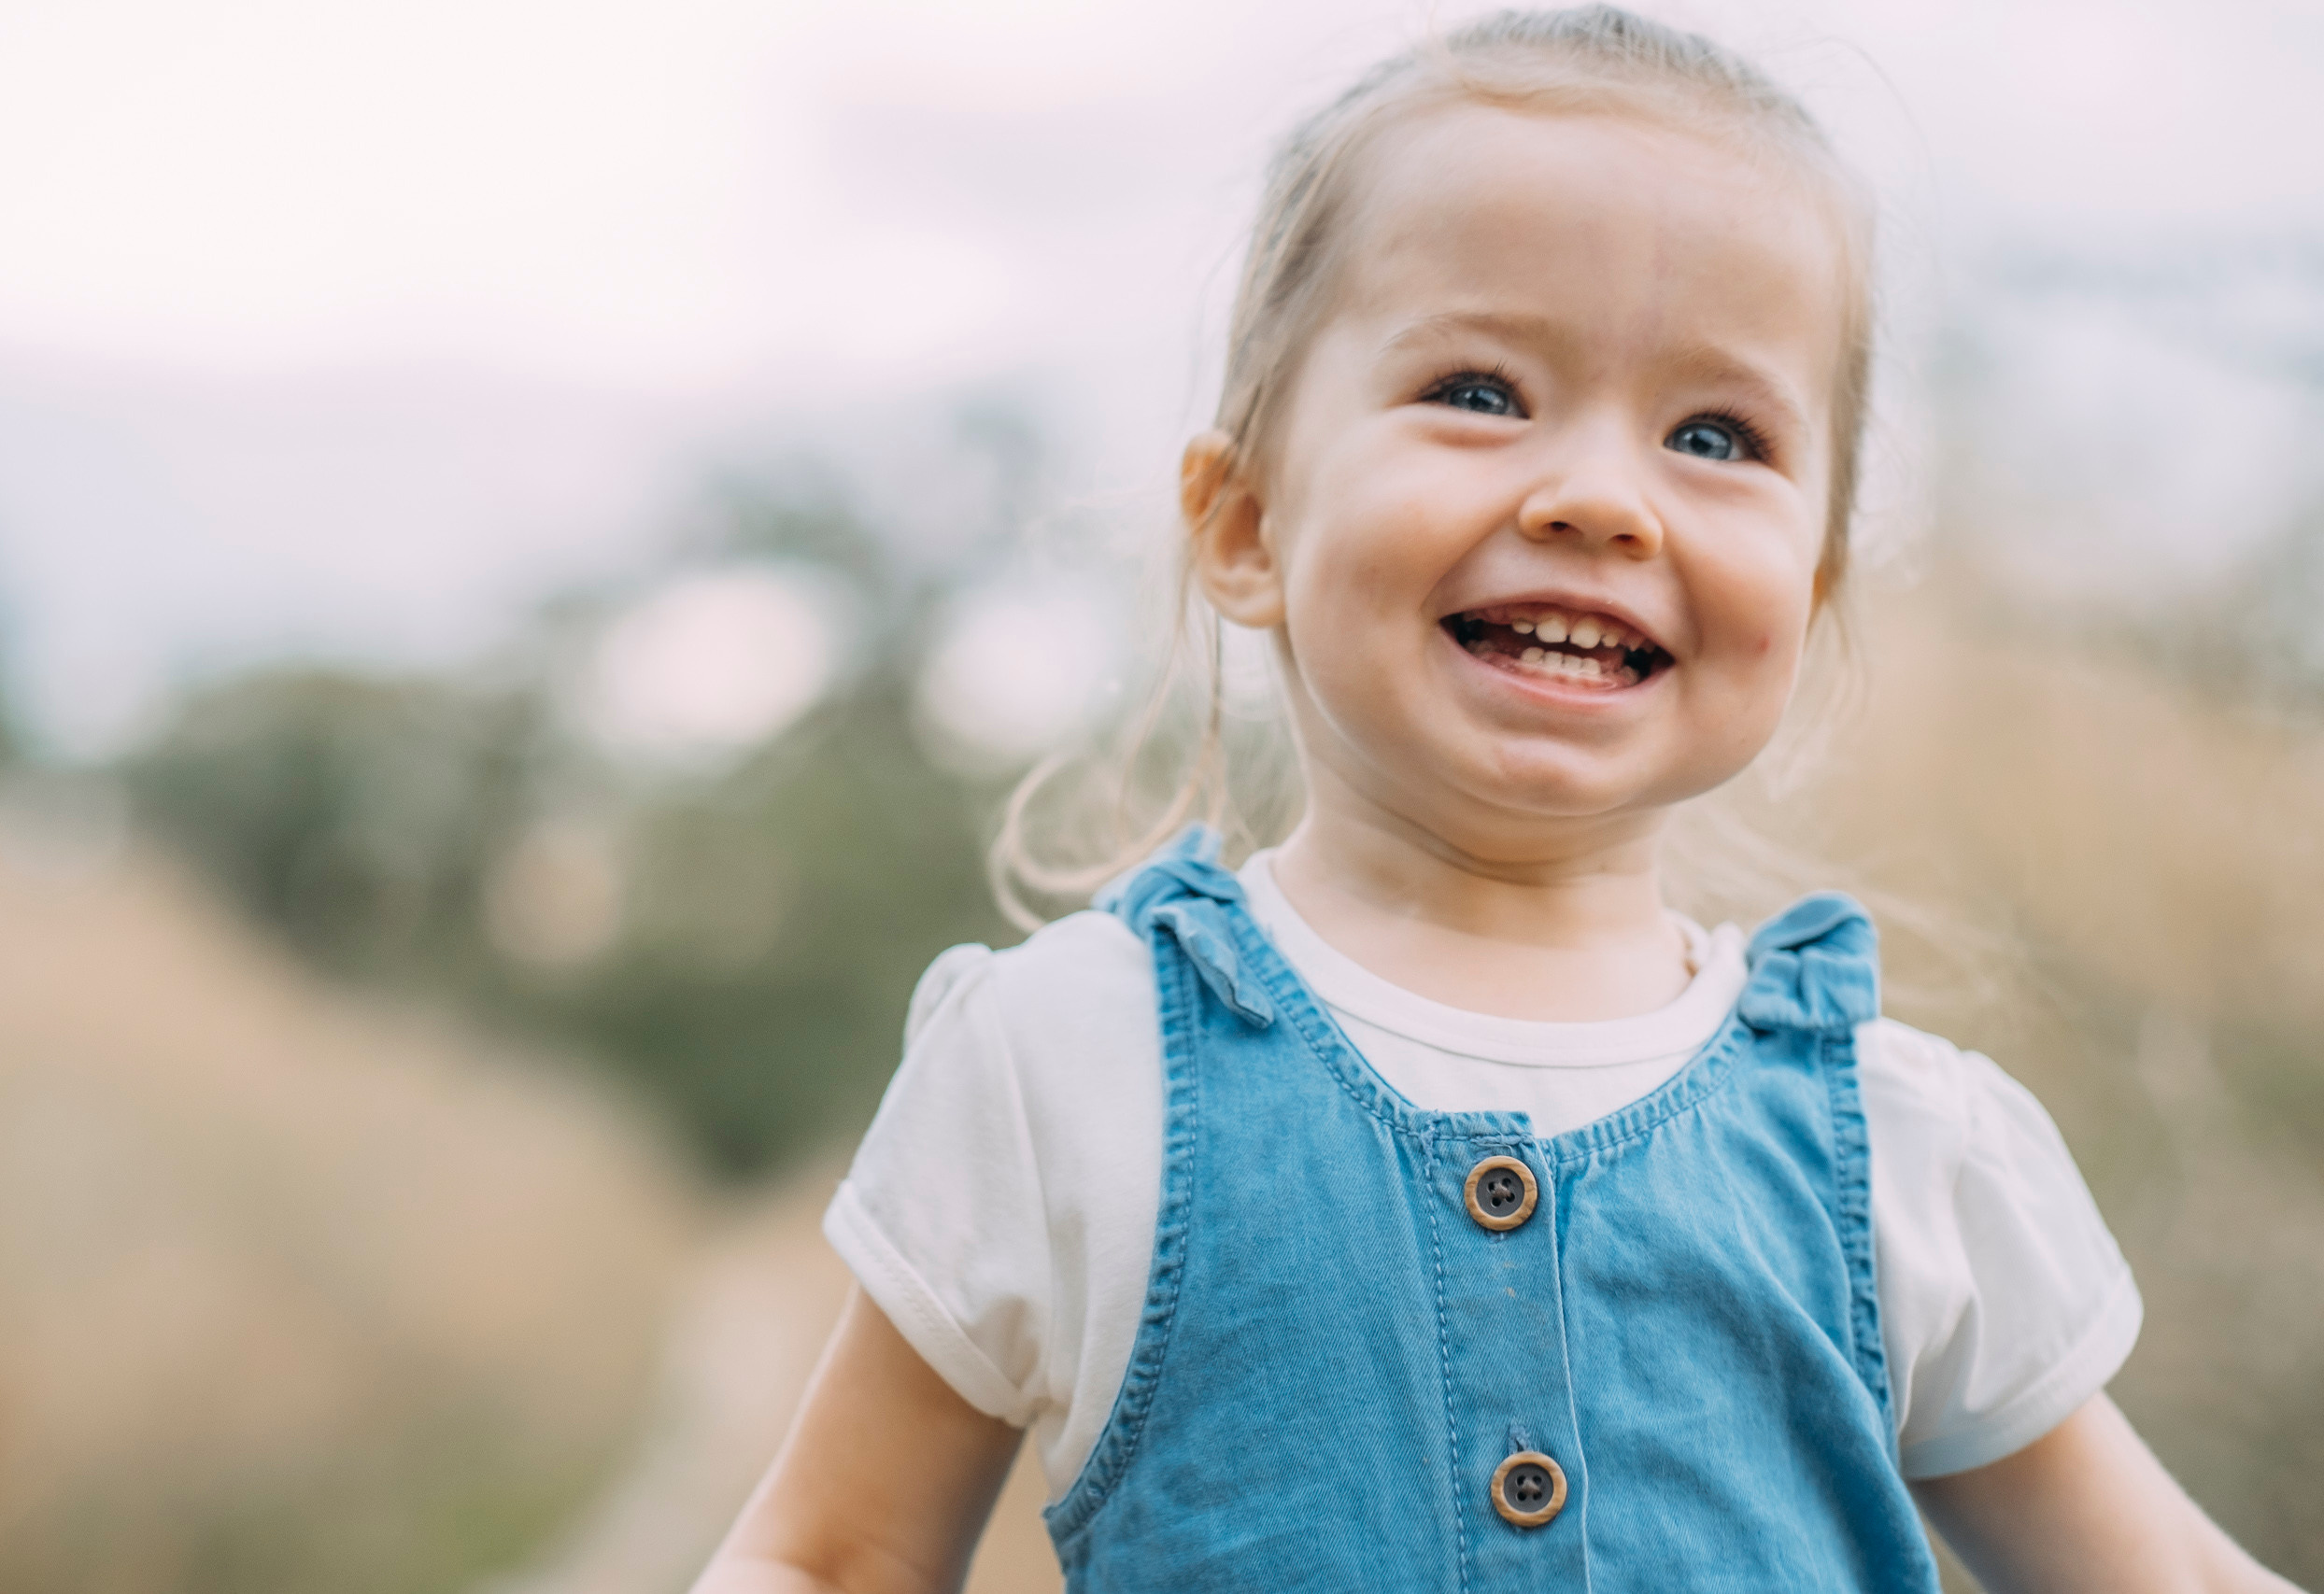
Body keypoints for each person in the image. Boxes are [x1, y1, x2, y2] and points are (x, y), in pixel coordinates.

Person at [700, 9, 2306, 1591]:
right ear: (1249, 521)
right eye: (1480, 392)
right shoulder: (1072, 1067)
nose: (1601, 498)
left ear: (1808, 599)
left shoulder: (1902, 1151)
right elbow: (831, 1555)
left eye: (1715, 433)